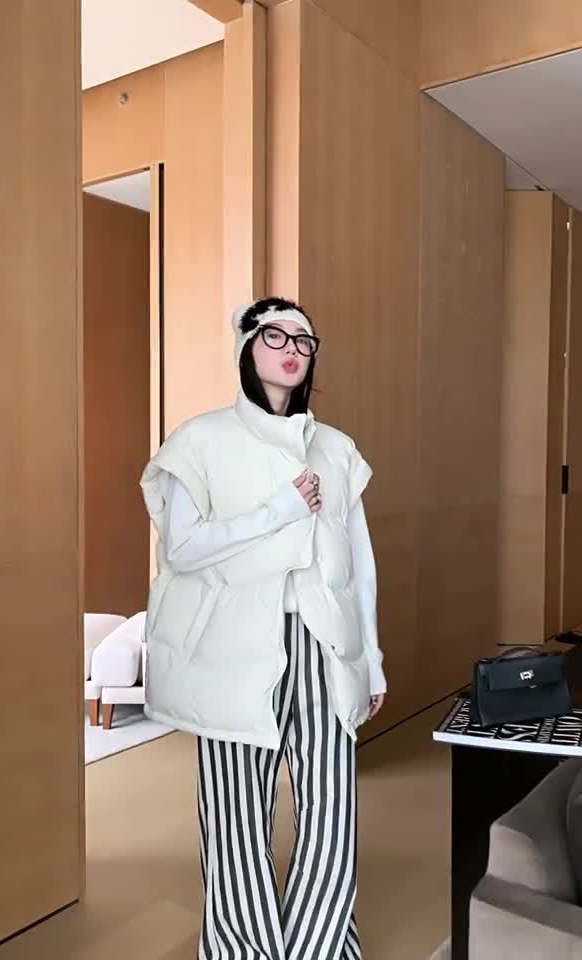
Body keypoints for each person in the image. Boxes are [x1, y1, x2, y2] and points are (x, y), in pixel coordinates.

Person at [139, 296, 387, 960]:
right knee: (234, 810)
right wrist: (276, 512)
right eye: (275, 335)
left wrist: (372, 659)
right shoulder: (199, 440)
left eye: (304, 340)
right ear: (246, 348)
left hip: (323, 642)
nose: (291, 348)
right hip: (234, 646)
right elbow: (181, 549)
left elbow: (359, 562)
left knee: (332, 805)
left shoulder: (336, 449)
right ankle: (240, 946)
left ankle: (320, 945)